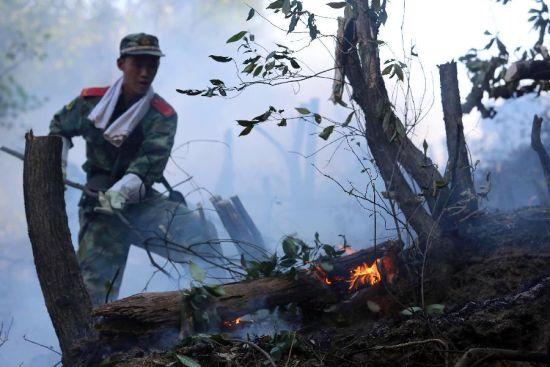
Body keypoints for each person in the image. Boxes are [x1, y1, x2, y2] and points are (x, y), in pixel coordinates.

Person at [49, 33, 222, 306]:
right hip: (99, 207)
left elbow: (151, 162)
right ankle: (94, 344)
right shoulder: (90, 103)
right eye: (137, 64)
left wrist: (122, 191)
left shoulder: (161, 114)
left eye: (152, 65)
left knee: (200, 232)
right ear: (121, 64)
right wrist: (55, 168)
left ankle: (219, 306)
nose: (145, 73)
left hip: (141, 202)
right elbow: (58, 129)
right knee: (95, 293)